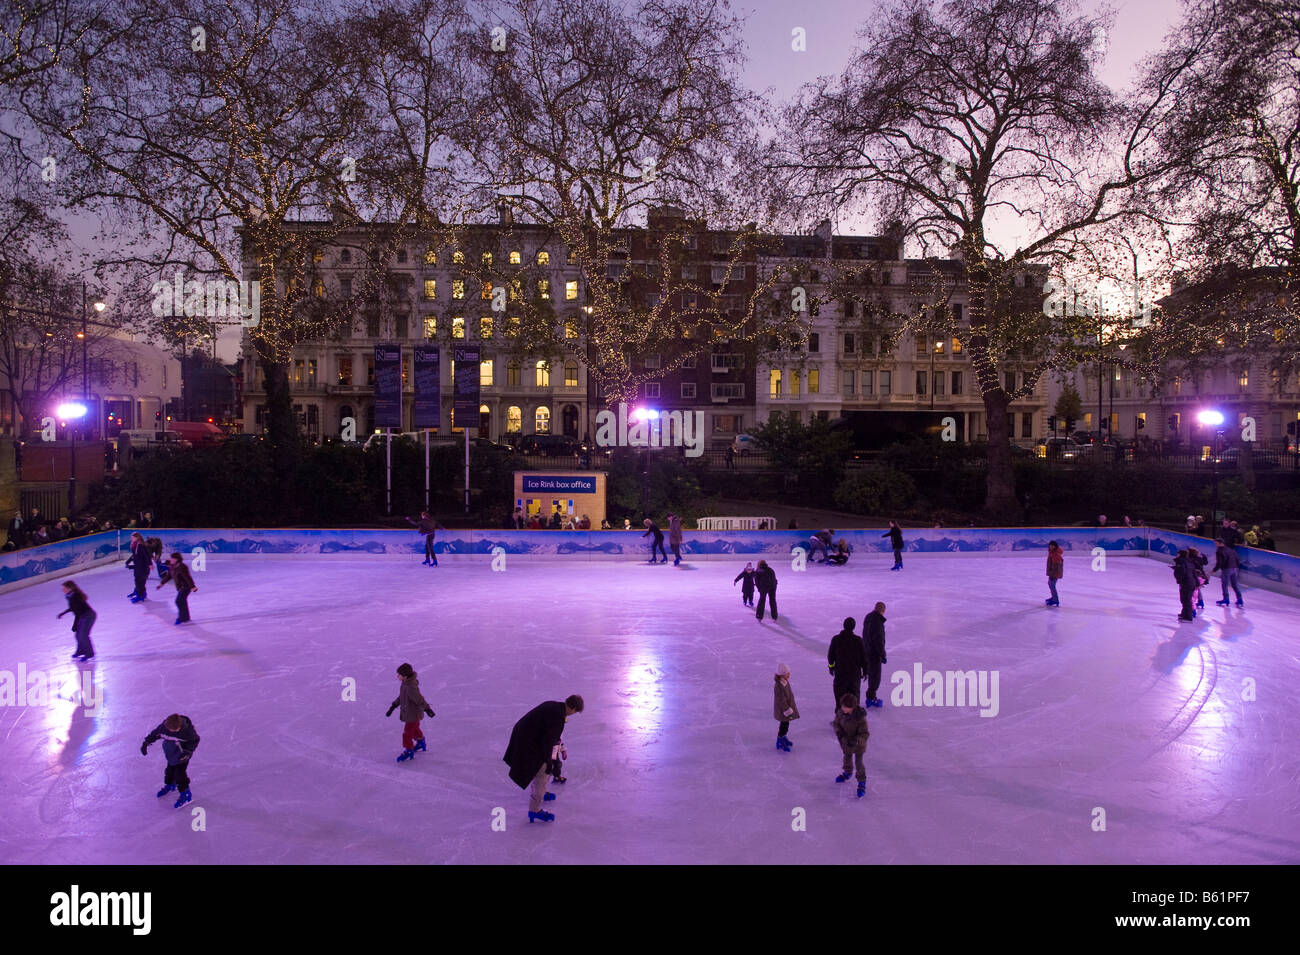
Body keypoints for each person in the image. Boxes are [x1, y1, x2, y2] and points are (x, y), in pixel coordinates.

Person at [503, 695, 584, 824]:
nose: (573, 715)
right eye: (574, 712)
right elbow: (547, 743)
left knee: (544, 767)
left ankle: (542, 792)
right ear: (572, 708)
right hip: (527, 742)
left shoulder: (554, 705)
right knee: (543, 771)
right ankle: (534, 810)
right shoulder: (558, 718)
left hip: (525, 736)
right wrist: (548, 762)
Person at [141, 713, 200, 809]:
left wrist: (188, 752)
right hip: (171, 753)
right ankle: (170, 784)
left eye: (173, 730)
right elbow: (155, 734)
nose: (170, 732)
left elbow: (195, 740)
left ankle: (186, 794)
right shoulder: (164, 727)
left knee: (180, 774)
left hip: (182, 755)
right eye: (168, 730)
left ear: (179, 727)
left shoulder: (187, 732)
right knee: (169, 771)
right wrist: (146, 743)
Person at [386, 663, 436, 762]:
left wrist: (427, 709)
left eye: (399, 675)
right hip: (410, 713)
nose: (397, 676)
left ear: (404, 676)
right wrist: (393, 706)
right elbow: (401, 697)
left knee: (407, 733)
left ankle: (409, 750)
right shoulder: (405, 684)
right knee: (415, 729)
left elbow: (419, 699)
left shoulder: (410, 687)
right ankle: (421, 742)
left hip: (413, 714)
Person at [832, 693, 869, 798]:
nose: (843, 708)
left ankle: (861, 781)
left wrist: (856, 740)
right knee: (847, 759)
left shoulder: (860, 718)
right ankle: (847, 772)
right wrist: (839, 732)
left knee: (859, 763)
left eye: (846, 707)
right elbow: (836, 724)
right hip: (846, 743)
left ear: (852, 707)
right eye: (842, 706)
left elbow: (865, 734)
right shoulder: (840, 713)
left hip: (858, 746)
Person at [827, 617, 866, 709]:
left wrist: (831, 667)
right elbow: (864, 658)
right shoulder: (858, 640)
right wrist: (865, 671)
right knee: (854, 698)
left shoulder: (836, 639)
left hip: (840, 674)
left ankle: (839, 718)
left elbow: (830, 656)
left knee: (840, 698)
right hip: (854, 676)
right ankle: (854, 718)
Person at [58, 579, 96, 661]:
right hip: (83, 616)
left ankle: (89, 654)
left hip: (88, 616)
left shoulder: (75, 596)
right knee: (78, 635)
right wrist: (63, 613)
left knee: (83, 635)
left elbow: (78, 612)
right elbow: (73, 608)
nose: (62, 590)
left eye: (64, 588)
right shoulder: (70, 596)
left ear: (70, 588)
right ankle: (80, 651)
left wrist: (75, 625)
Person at [157, 552, 197, 625]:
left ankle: (182, 617)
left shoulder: (182, 567)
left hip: (185, 587)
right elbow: (169, 576)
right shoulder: (172, 567)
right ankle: (186, 617)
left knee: (178, 601)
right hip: (180, 587)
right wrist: (161, 583)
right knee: (182, 602)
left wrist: (193, 586)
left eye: (172, 558)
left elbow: (187, 577)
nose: (170, 559)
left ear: (177, 559)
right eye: (171, 558)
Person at [862, 603, 887, 707]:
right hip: (874, 654)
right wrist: (883, 654)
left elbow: (865, 634)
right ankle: (871, 698)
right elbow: (879, 640)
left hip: (866, 650)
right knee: (875, 677)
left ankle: (870, 696)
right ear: (883, 610)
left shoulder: (868, 617)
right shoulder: (878, 622)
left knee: (871, 674)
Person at [773, 663, 799, 752]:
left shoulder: (784, 682)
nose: (789, 675)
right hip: (783, 710)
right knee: (783, 725)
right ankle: (780, 740)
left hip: (787, 708)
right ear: (782, 674)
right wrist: (787, 709)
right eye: (787, 673)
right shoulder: (779, 686)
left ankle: (784, 737)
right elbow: (781, 700)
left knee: (786, 724)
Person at [1213, 539, 1243, 608]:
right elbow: (1237, 559)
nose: (1215, 545)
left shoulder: (1219, 551)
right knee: (1234, 585)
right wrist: (1236, 567)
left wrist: (1214, 570)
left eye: (1216, 543)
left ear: (1220, 543)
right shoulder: (1231, 550)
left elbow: (1220, 562)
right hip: (1234, 568)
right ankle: (1240, 599)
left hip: (1227, 569)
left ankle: (1226, 599)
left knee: (1224, 585)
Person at [125, 532, 151, 602]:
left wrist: (150, 564)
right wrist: (128, 561)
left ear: (137, 538)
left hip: (142, 568)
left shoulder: (140, 546)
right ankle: (139, 593)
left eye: (133, 537)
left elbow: (146, 556)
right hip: (139, 567)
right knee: (138, 581)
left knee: (140, 582)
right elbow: (134, 555)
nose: (131, 538)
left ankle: (140, 595)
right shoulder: (135, 545)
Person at [1173, 549, 1198, 621]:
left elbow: (1182, 572)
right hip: (1191, 583)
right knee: (1185, 599)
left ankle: (1188, 616)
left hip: (1186, 583)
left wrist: (1180, 581)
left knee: (1186, 599)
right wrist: (1197, 583)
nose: (1176, 555)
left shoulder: (1181, 562)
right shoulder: (1189, 562)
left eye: (1178, 554)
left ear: (1180, 555)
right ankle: (1184, 613)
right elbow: (1193, 573)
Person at [1188, 546, 1209, 611]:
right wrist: (1204, 557)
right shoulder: (1199, 558)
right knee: (1197, 589)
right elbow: (1205, 563)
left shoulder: (1190, 559)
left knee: (1194, 590)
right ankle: (1200, 601)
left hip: (1195, 576)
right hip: (1201, 576)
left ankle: (1192, 605)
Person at [1045, 541, 1063, 607]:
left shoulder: (1056, 554)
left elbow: (1056, 566)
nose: (1051, 547)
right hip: (1053, 573)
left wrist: (1052, 575)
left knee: (1052, 585)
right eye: (1050, 545)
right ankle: (1054, 598)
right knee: (1051, 585)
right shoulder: (1052, 553)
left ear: (1055, 546)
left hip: (1054, 573)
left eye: (1052, 546)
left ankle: (1055, 600)